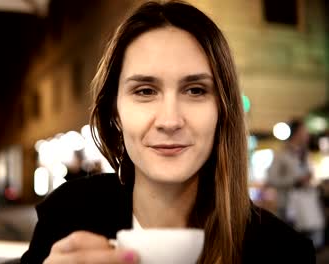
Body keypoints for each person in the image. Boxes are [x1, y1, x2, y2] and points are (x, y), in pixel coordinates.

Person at [20, 1, 315, 263]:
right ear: (115, 112)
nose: (170, 120)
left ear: (223, 111)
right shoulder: (69, 215)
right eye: (145, 91)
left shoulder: (283, 251)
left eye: (196, 90)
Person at [267, 119, 312, 222]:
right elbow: (271, 179)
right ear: (297, 133)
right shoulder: (281, 154)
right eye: (304, 131)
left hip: (306, 207)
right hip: (287, 207)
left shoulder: (305, 154)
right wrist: (295, 181)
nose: (307, 135)